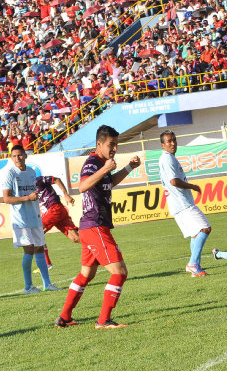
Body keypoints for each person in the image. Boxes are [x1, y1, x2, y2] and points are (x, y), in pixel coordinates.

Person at [56, 125, 141, 329]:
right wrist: (104, 168)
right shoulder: (93, 162)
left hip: (90, 226)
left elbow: (108, 183)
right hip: (95, 226)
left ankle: (65, 317)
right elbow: (82, 186)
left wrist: (129, 167)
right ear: (99, 144)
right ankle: (103, 320)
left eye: (116, 145)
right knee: (119, 272)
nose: (114, 149)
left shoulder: (101, 163)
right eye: (111, 145)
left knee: (86, 274)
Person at [2, 145, 60, 294]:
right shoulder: (10, 174)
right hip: (20, 220)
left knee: (40, 247)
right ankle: (28, 287)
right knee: (28, 250)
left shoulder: (31, 172)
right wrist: (28, 197)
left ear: (25, 156)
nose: (17, 158)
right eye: (14, 156)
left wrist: (32, 199)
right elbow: (7, 198)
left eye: (20, 155)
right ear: (11, 158)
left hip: (35, 217)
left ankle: (47, 284)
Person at [158, 130, 211, 277]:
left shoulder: (168, 158)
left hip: (179, 204)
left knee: (195, 234)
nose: (173, 143)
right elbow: (174, 181)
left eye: (174, 140)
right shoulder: (168, 159)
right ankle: (193, 264)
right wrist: (193, 186)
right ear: (163, 145)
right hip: (182, 203)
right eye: (169, 141)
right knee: (205, 228)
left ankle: (195, 267)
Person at [33, 175, 80, 271]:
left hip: (55, 209)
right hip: (58, 211)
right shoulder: (27, 189)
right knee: (75, 238)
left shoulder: (38, 180)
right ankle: (99, 246)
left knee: (36, 232)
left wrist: (66, 195)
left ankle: (47, 264)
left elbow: (57, 179)